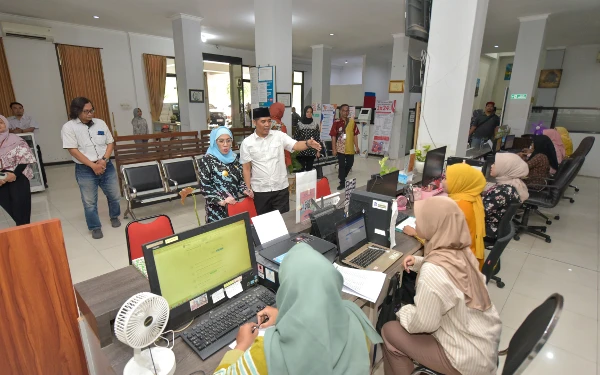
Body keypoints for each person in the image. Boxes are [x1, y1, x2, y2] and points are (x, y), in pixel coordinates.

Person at [213, 242, 382, 375]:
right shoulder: (356, 321)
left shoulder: (267, 353)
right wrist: (285, 316)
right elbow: (321, 317)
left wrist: (241, 346)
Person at [381, 197, 501, 375]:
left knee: (389, 330)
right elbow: (449, 271)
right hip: (483, 344)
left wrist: (401, 312)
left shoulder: (433, 272)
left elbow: (424, 323)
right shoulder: (461, 250)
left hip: (465, 360)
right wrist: (419, 262)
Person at [240, 107, 321, 216]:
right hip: (260, 191)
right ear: (254, 122)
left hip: (280, 190)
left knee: (283, 222)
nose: (267, 124)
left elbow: (295, 145)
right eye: (263, 121)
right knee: (264, 224)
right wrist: (248, 188)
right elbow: (246, 168)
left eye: (269, 121)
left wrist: (307, 143)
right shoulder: (247, 143)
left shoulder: (279, 136)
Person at [61, 97, 121, 239]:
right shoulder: (68, 127)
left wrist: (104, 160)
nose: (90, 113)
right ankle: (95, 227)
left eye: (91, 110)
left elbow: (110, 142)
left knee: (114, 195)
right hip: (85, 169)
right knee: (89, 201)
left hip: (106, 164)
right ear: (77, 112)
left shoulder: (100, 123)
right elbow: (73, 150)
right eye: (86, 111)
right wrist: (93, 165)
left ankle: (114, 217)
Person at [198, 127, 251, 223]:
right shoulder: (207, 160)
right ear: (215, 142)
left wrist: (245, 190)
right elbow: (204, 186)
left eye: (228, 141)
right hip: (216, 210)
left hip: (233, 205)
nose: (225, 145)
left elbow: (239, 181)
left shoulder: (234, 158)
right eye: (221, 141)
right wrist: (221, 200)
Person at [444, 163, 486, 269]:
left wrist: (415, 233)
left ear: (458, 182)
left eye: (446, 178)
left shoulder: (458, 208)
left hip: (460, 265)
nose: (442, 182)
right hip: (470, 258)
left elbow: (440, 241)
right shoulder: (471, 199)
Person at [0, 115, 36, 226]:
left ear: (6, 124)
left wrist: (13, 175)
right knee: (9, 206)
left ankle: (24, 230)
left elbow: (25, 159)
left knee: (21, 207)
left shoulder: (15, 139)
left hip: (18, 176)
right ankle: (22, 228)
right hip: (1, 180)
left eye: (1, 122)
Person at [483, 153, 528, 237]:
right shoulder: (511, 185)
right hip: (496, 226)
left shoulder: (502, 191)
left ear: (506, 168)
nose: (492, 166)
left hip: (487, 229)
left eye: (495, 164)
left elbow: (481, 212)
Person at [7, 101, 48, 188]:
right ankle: (22, 185)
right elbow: (6, 130)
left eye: (20, 108)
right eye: (15, 108)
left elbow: (31, 128)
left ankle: (43, 182)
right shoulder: (8, 120)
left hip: (31, 144)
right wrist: (14, 131)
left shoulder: (30, 118)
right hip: (15, 147)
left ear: (23, 109)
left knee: (38, 163)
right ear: (11, 110)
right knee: (19, 166)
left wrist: (20, 131)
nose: (18, 110)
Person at [330, 104, 360, 190]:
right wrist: (334, 148)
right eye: (343, 110)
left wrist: (356, 146)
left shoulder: (352, 122)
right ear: (340, 111)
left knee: (350, 163)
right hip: (340, 148)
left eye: (347, 111)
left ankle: (342, 176)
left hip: (350, 147)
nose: (345, 112)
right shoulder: (336, 123)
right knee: (342, 165)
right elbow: (333, 136)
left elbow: (355, 135)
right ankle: (342, 182)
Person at [294, 105, 321, 172]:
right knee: (301, 170)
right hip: (301, 151)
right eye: (307, 112)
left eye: (311, 112)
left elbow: (317, 139)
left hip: (311, 151)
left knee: (309, 170)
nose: (309, 114)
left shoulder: (315, 125)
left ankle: (308, 182)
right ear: (304, 113)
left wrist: (318, 151)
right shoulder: (299, 124)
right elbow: (296, 138)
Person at [269, 102, 292, 169]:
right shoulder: (281, 126)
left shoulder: (264, 123)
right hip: (278, 158)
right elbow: (285, 144)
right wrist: (288, 159)